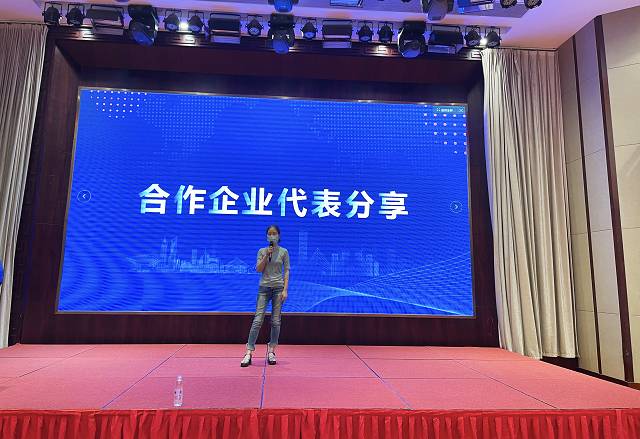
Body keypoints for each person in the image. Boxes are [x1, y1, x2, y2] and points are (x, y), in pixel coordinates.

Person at [241, 225, 290, 367]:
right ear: (267, 236)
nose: (272, 236)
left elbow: (287, 271)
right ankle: (249, 352)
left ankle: (271, 351)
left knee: (275, 321)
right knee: (257, 320)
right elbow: (258, 269)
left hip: (278, 288)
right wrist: (266, 256)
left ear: (279, 236)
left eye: (274, 233)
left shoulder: (284, 252)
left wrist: (285, 290)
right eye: (269, 233)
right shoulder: (262, 251)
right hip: (264, 288)